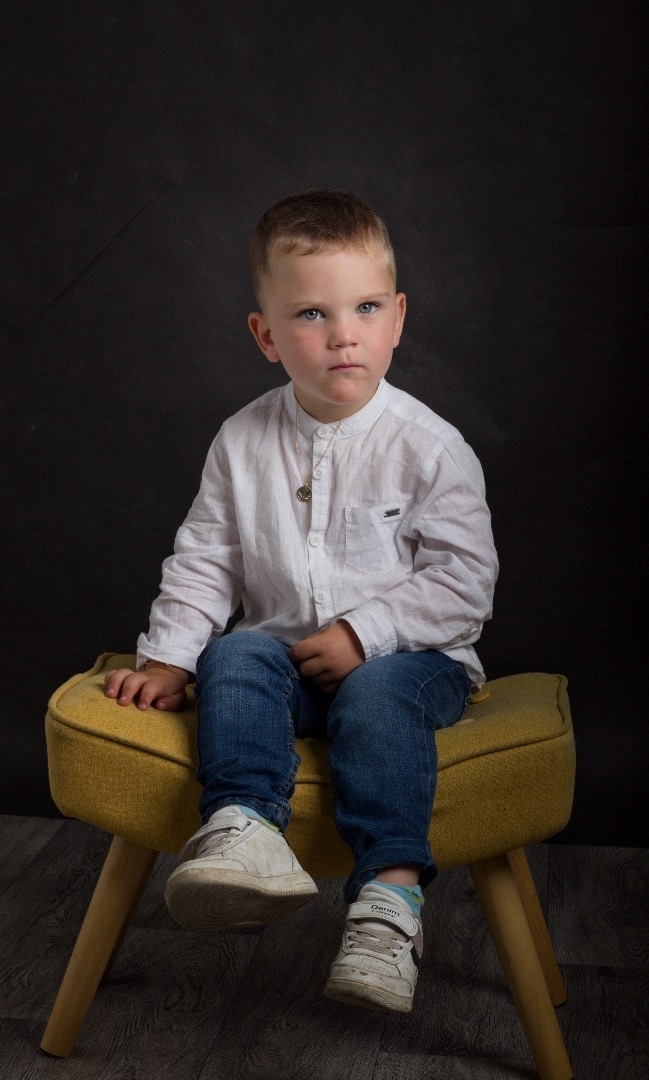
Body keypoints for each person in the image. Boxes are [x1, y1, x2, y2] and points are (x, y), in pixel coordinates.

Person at [105, 188, 498, 1014]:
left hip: (413, 665)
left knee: (377, 691)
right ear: (266, 336)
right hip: (287, 665)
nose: (343, 334)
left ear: (397, 318)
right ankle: (245, 829)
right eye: (311, 314)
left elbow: (464, 583)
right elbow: (205, 560)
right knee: (234, 652)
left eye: (364, 308)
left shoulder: (430, 447)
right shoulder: (240, 439)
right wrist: (168, 657)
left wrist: (365, 632)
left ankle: (389, 902)